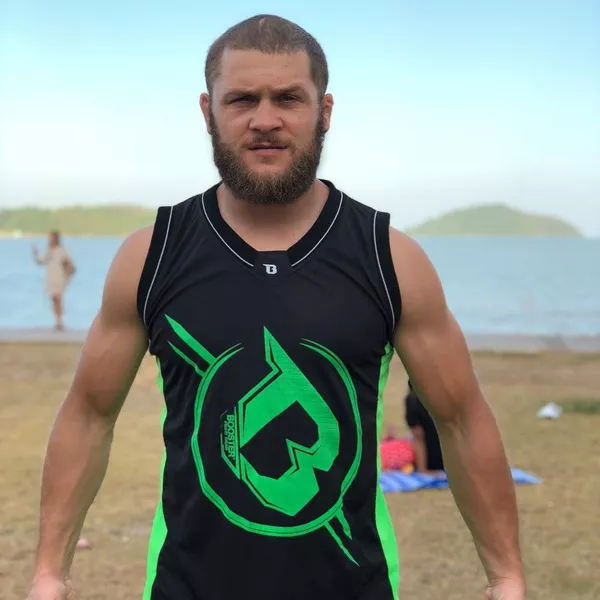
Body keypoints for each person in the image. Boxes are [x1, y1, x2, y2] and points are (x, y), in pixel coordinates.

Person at [26, 15, 526, 600]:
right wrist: (49, 573)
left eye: (288, 97)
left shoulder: (389, 257)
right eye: (242, 99)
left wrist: (506, 577)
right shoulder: (152, 255)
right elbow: (88, 415)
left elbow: (461, 419)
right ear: (208, 111)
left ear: (325, 111)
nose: (265, 119)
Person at [32, 230, 75, 331]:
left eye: (51, 237)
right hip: (50, 278)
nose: (50, 239)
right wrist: (35, 254)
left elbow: (69, 264)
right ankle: (57, 321)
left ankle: (60, 321)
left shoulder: (61, 250)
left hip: (59, 277)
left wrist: (68, 277)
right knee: (53, 299)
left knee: (58, 298)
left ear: (56, 238)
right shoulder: (48, 251)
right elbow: (40, 262)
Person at [405, 380, 445, 475]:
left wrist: (422, 469)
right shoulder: (443, 398)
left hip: (435, 462)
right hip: (451, 459)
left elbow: (418, 437)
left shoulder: (413, 401)